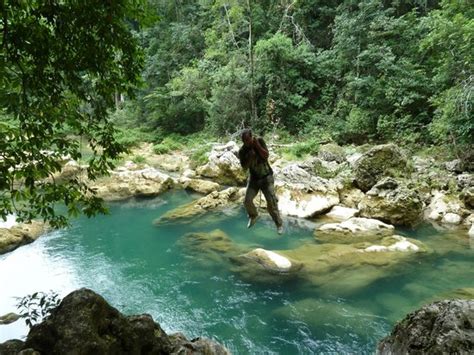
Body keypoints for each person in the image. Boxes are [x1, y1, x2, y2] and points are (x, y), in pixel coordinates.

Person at [238, 129, 283, 234]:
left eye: (248, 140)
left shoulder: (259, 140)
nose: (246, 143)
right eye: (244, 141)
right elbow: (244, 167)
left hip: (266, 176)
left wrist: (257, 146)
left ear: (251, 137)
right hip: (254, 178)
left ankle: (279, 224)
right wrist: (250, 157)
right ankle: (253, 216)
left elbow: (266, 155)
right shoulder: (242, 151)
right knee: (247, 201)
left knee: (271, 204)